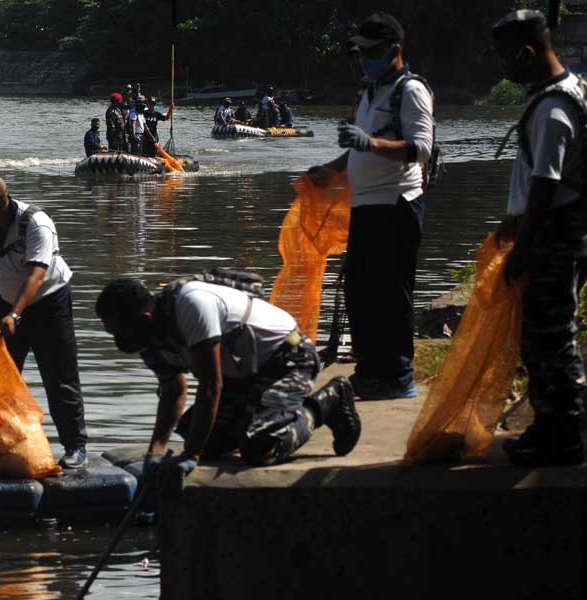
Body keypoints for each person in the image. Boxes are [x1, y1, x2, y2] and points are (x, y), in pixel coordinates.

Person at [95, 277, 362, 495]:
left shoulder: (191, 306)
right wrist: (156, 452)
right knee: (198, 434)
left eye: (119, 332)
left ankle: (327, 402)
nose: (118, 342)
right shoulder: (147, 336)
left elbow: (212, 386)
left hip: (288, 357)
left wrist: (192, 455)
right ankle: (255, 417)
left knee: (261, 448)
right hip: (244, 374)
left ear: (144, 318)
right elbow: (173, 390)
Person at [307, 12, 434, 400]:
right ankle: (370, 372)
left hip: (396, 204)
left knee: (391, 295)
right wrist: (330, 170)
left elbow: (420, 149)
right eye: (360, 53)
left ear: (394, 50)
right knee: (360, 291)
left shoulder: (410, 90)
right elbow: (359, 153)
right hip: (365, 206)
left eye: (371, 52)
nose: (364, 59)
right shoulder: (367, 91)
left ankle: (397, 375)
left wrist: (368, 143)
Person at [491, 10, 587, 465]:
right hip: (552, 232)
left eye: (508, 60)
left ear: (527, 54)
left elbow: (545, 187)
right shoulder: (567, 93)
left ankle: (566, 435)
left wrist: (522, 249)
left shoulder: (553, 109)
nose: (505, 70)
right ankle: (548, 426)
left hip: (552, 237)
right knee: (539, 339)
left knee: (553, 340)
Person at [0, 172, 89, 468]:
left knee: (59, 378)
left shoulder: (35, 222)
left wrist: (15, 314)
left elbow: (37, 275)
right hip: (9, 304)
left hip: (49, 303)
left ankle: (75, 447)